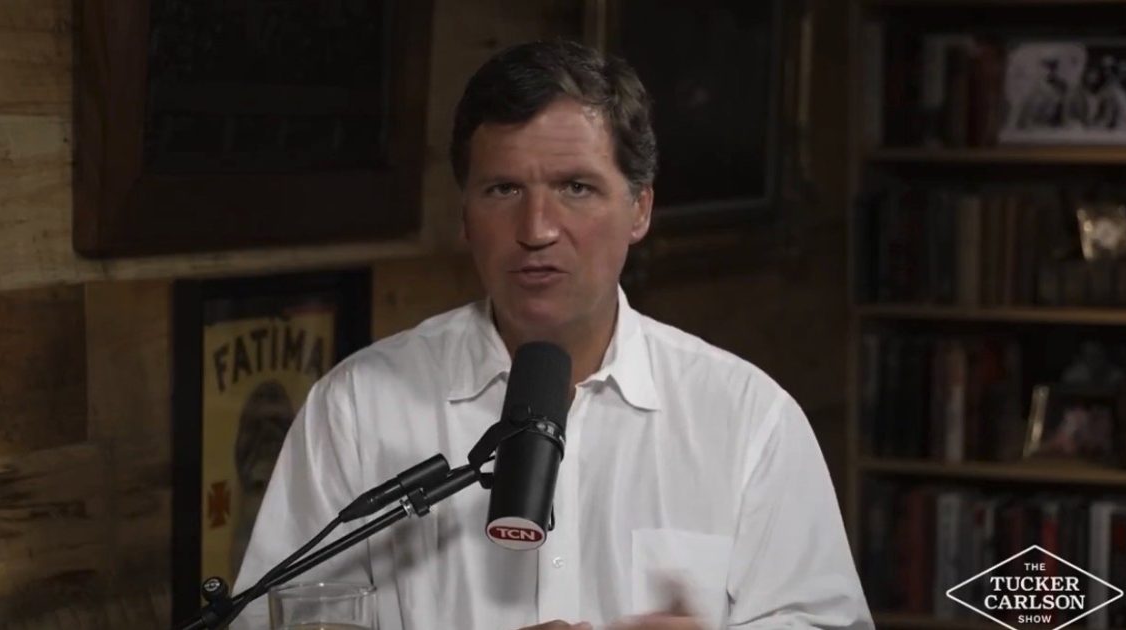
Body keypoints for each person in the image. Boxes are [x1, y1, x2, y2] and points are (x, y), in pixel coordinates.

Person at [232, 40, 872, 629]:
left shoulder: (747, 419)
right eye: (503, 188)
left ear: (640, 207)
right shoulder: (356, 409)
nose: (536, 228)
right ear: (464, 215)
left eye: (576, 187)